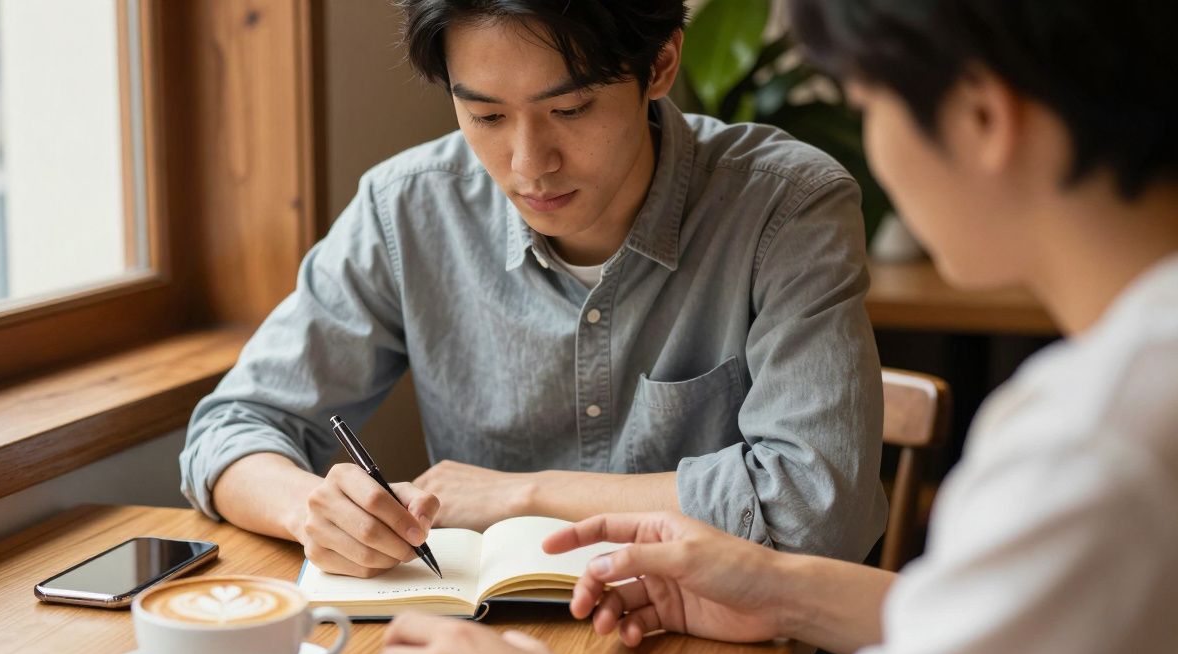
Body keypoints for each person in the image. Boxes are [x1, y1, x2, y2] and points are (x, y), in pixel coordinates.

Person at [367, 0, 1178, 654]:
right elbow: (1009, 632)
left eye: (867, 105)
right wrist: (780, 592)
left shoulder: (1089, 447)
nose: (529, 162)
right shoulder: (1133, 388)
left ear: (981, 117)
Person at [179, 0, 886, 577]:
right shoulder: (408, 211)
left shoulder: (784, 208)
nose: (528, 164)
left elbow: (820, 510)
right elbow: (230, 430)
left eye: (571, 109)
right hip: (487, 647)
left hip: (726, 653)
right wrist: (314, 510)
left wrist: (522, 497)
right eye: (486, 116)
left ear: (660, 65)